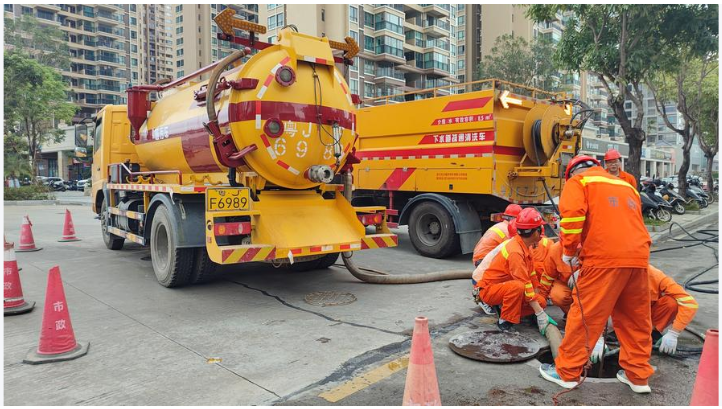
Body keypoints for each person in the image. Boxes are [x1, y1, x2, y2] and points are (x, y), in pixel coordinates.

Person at [539, 155, 653, 394]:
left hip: (603, 258)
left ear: (572, 172)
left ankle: (567, 373)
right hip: (639, 259)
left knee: (585, 316)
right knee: (635, 320)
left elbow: (572, 218)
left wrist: (569, 251)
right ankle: (638, 376)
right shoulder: (625, 185)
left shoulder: (579, 182)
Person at [473, 207, 556, 334]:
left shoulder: (524, 246)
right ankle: (505, 321)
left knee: (541, 302)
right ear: (536, 232)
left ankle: (511, 311)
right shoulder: (515, 252)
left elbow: (532, 275)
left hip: (504, 286)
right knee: (518, 287)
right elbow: (524, 283)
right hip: (489, 290)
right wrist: (540, 313)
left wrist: (539, 302)